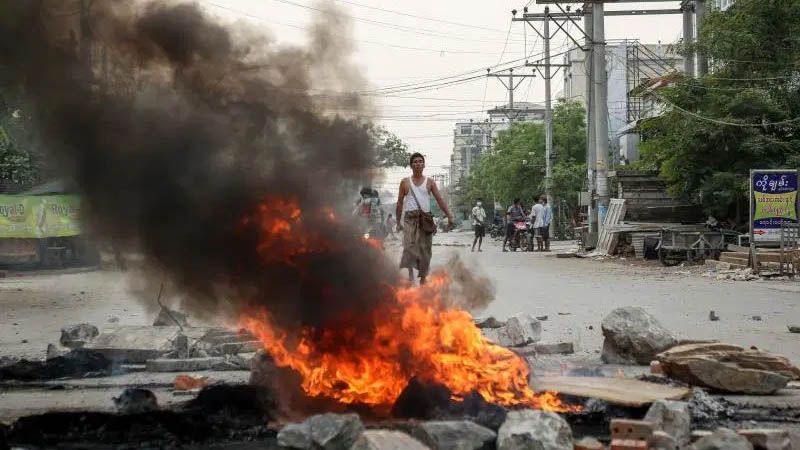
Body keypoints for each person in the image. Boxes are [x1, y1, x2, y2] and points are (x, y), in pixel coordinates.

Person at [396, 152, 454, 284]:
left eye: (420, 161)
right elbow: (399, 203)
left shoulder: (430, 182)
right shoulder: (405, 182)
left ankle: (423, 277)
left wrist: (450, 216)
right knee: (409, 246)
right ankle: (410, 272)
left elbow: (440, 200)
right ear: (411, 165)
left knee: (425, 249)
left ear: (424, 164)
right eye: (415, 161)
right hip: (410, 218)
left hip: (425, 219)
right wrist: (398, 222)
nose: (418, 163)